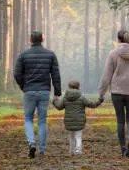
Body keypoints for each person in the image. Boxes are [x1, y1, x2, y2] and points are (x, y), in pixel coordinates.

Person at [14, 31, 62, 159]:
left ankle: (31, 143)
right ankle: (41, 149)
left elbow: (17, 74)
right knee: (42, 120)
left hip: (29, 91)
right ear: (42, 39)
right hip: (44, 92)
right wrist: (57, 93)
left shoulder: (23, 55)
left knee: (28, 118)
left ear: (30, 40)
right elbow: (55, 75)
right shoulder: (50, 55)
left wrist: (23, 86)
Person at [98, 29, 129, 158]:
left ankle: (123, 149)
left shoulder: (113, 54)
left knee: (120, 121)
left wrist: (101, 92)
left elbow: (107, 74)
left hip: (117, 92)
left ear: (118, 40)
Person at [52, 79, 104, 156]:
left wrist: (54, 102)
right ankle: (78, 151)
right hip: (79, 121)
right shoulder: (81, 97)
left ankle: (71, 151)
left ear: (69, 87)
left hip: (69, 121)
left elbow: (59, 107)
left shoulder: (66, 98)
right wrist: (100, 100)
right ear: (78, 87)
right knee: (78, 136)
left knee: (71, 137)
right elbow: (92, 104)